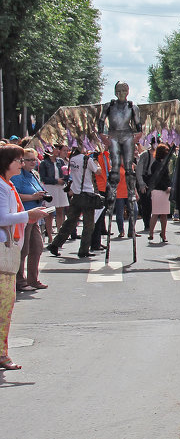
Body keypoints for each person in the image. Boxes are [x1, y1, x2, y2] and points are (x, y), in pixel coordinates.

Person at [1, 144, 55, 370]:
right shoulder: (2, 187)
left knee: (6, 306)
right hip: (2, 252)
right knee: (4, 306)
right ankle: (2, 354)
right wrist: (28, 214)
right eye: (18, 160)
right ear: (8, 163)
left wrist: (28, 217)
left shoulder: (8, 185)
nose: (22, 164)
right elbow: (3, 217)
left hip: (8, 249)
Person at [47, 147, 101, 258]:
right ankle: (84, 250)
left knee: (70, 222)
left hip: (76, 194)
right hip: (87, 194)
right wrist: (96, 162)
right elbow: (98, 171)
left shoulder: (72, 159)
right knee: (89, 224)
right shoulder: (87, 159)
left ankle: (55, 244)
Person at [12, 149, 49, 291]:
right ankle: (20, 281)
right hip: (24, 216)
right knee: (24, 249)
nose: (33, 162)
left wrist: (40, 196)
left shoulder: (33, 174)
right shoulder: (18, 176)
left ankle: (33, 279)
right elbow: (16, 195)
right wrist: (33, 197)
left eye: (34, 159)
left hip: (35, 216)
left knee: (37, 247)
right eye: (29, 160)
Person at [38, 144, 67, 238]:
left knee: (60, 211)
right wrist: (56, 181)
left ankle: (60, 234)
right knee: (49, 213)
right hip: (50, 187)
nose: (58, 151)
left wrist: (64, 180)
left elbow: (66, 173)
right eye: (56, 149)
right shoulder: (44, 163)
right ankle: (50, 235)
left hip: (60, 188)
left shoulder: (60, 161)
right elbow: (43, 178)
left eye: (59, 149)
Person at [146, 144, 173, 242]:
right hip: (158, 190)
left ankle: (163, 233)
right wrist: (165, 187)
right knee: (156, 213)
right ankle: (151, 232)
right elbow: (157, 178)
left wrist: (170, 186)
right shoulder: (156, 164)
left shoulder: (164, 164)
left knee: (164, 214)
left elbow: (167, 177)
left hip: (165, 191)